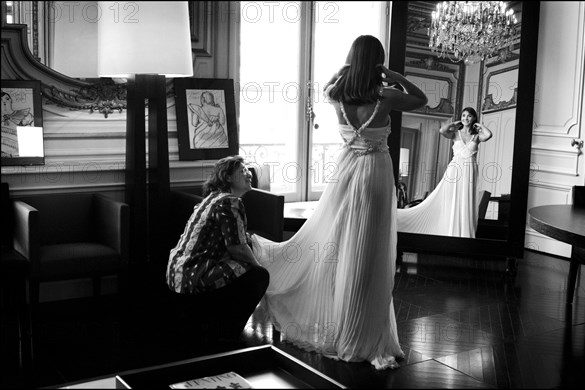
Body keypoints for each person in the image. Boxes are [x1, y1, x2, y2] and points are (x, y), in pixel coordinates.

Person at [250, 35, 427, 370]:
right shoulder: (385, 94)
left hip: (346, 171)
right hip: (374, 173)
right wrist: (393, 74)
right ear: (378, 62)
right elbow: (421, 99)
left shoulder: (336, 95)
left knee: (340, 245)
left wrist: (346, 68)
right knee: (369, 250)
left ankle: (341, 322)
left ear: (351, 61)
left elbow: (330, 83)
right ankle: (360, 331)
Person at [165, 155, 269, 341]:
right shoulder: (229, 202)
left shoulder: (212, 199)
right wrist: (258, 265)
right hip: (194, 277)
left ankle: (212, 320)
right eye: (242, 171)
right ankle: (226, 332)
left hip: (176, 274)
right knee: (259, 275)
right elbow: (237, 248)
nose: (249, 174)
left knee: (246, 264)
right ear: (227, 177)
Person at [396, 107, 493, 238]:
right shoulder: (455, 134)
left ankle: (464, 234)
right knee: (452, 199)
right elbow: (442, 130)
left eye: (469, 116)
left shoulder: (476, 136)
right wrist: (455, 123)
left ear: (474, 118)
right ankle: (449, 231)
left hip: (469, 171)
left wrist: (480, 125)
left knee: (466, 199)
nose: (465, 118)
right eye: (463, 115)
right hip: (454, 170)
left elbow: (488, 135)